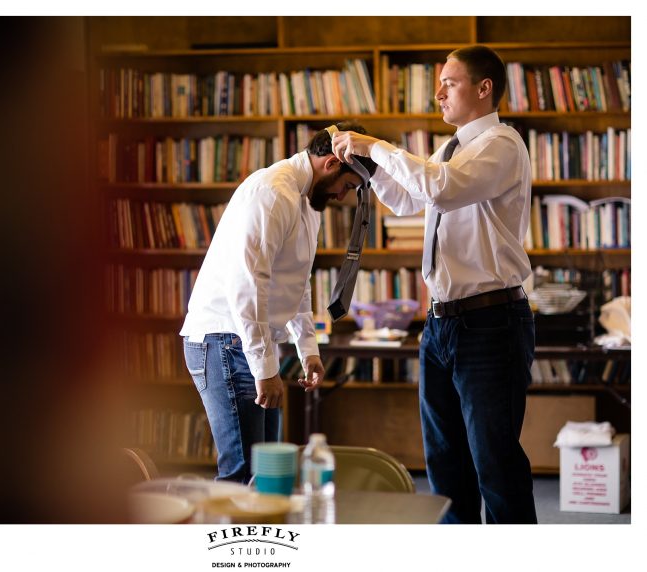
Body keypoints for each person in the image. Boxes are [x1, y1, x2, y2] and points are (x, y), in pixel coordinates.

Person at [331, 45, 537, 523]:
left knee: (496, 466)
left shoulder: (503, 144)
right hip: (441, 325)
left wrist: (374, 145)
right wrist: (367, 167)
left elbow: (441, 187)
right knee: (445, 467)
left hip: (490, 322)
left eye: (450, 82)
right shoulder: (449, 150)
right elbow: (408, 199)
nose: (438, 92)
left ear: (484, 89)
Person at [180, 122, 377, 483]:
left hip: (248, 343)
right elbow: (248, 285)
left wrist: (308, 350)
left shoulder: (307, 202)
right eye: (347, 186)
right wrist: (265, 369)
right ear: (333, 163)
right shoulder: (272, 192)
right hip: (224, 342)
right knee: (243, 476)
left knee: (268, 474)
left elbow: (298, 283)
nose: (342, 197)